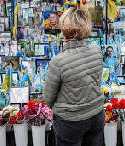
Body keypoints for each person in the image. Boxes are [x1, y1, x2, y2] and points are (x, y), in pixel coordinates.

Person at [43, 7, 104, 146]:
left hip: (70, 121)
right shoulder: (96, 51)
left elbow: (48, 98)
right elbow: (95, 82)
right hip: (96, 114)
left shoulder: (58, 61)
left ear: (65, 29)